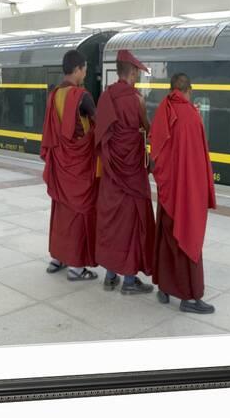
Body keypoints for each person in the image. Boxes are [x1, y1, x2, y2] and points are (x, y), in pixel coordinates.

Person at [149, 73, 216, 313]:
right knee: (188, 239)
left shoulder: (162, 110)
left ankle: (164, 289)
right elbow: (199, 161)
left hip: (167, 193)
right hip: (186, 194)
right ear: (188, 90)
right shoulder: (192, 116)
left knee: (167, 240)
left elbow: (154, 156)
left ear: (171, 89)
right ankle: (189, 297)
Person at [94, 49, 155, 295]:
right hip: (132, 174)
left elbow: (100, 136)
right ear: (131, 73)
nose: (138, 78)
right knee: (131, 224)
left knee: (112, 223)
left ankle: (110, 277)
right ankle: (129, 281)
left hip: (111, 174)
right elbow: (147, 128)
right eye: (137, 74)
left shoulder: (106, 97)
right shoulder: (136, 100)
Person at [40, 49, 99, 281]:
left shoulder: (54, 95)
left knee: (61, 210)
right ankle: (76, 266)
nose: (84, 74)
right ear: (77, 69)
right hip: (79, 166)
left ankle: (58, 257)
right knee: (79, 212)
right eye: (84, 69)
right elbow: (100, 124)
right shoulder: (82, 96)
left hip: (60, 164)